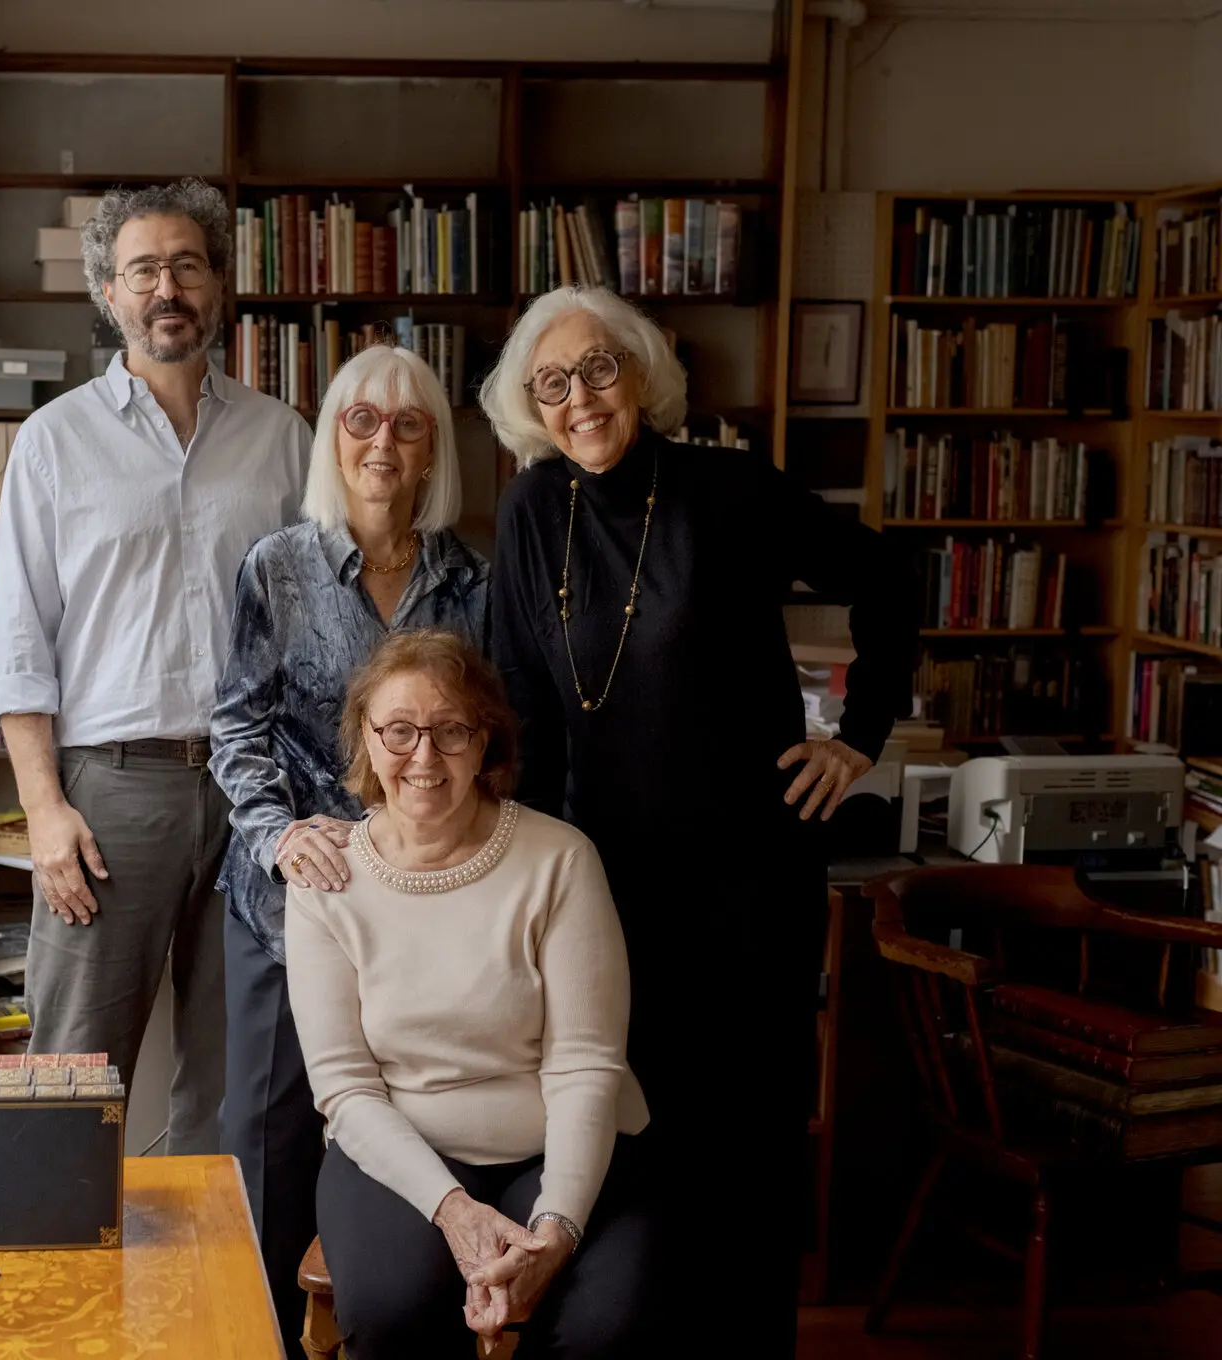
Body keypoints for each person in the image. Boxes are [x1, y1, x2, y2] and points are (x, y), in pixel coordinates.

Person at [476, 285, 917, 1353]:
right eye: (551, 382)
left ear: (640, 374)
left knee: (744, 1143)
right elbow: (512, 700)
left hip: (742, 884)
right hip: (594, 885)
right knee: (619, 1138)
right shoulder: (534, 508)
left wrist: (857, 735)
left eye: (598, 369)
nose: (578, 398)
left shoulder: (723, 489)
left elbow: (885, 578)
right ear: (528, 405)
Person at [0, 178, 311, 1152]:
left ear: (216, 286)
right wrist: (44, 811)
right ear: (107, 292)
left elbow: (310, 631)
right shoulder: (51, 443)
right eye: (142, 271)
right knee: (74, 1072)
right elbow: (17, 646)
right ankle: (66, 1295)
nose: (165, 287)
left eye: (185, 265)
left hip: (253, 791)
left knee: (233, 1076)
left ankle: (204, 1299)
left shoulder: (281, 439)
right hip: (109, 794)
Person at [209, 342, 488, 1345]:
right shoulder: (277, 567)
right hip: (289, 898)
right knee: (266, 1135)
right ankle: (261, 1336)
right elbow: (235, 727)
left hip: (421, 904)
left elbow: (481, 741)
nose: (381, 442)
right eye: (360, 420)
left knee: (410, 1116)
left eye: (406, 425)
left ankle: (397, 1314)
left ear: (430, 451)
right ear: (333, 437)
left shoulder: (469, 583)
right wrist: (279, 833)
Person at [287, 630, 651, 1358]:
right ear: (366, 738)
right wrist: (453, 1211)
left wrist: (555, 1229)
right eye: (398, 731)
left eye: (451, 730)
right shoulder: (325, 879)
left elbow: (585, 1066)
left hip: (558, 1147)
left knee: (599, 1328)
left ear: (485, 743)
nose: (423, 757)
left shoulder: (560, 861)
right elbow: (346, 1088)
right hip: (398, 1154)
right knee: (394, 1313)